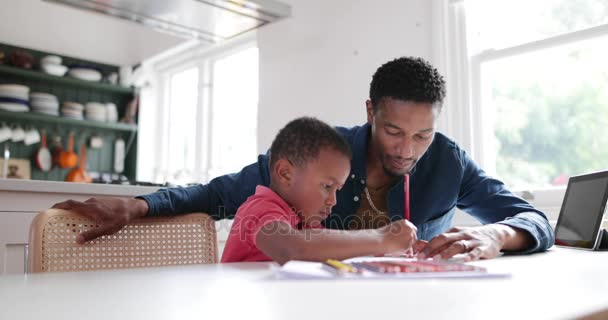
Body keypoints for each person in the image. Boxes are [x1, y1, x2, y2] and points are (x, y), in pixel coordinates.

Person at [54, 56, 554, 262]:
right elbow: (221, 192)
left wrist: (494, 235)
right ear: (370, 113)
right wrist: (140, 206)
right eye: (394, 131)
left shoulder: (449, 163)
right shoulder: (320, 154)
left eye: (422, 135)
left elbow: (534, 219)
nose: (407, 150)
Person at [221, 117, 417, 264]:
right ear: (285, 173)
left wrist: (393, 251)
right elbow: (291, 248)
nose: (333, 200)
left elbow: (332, 251)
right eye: (327, 186)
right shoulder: (260, 208)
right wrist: (381, 237)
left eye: (337, 190)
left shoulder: (307, 226)